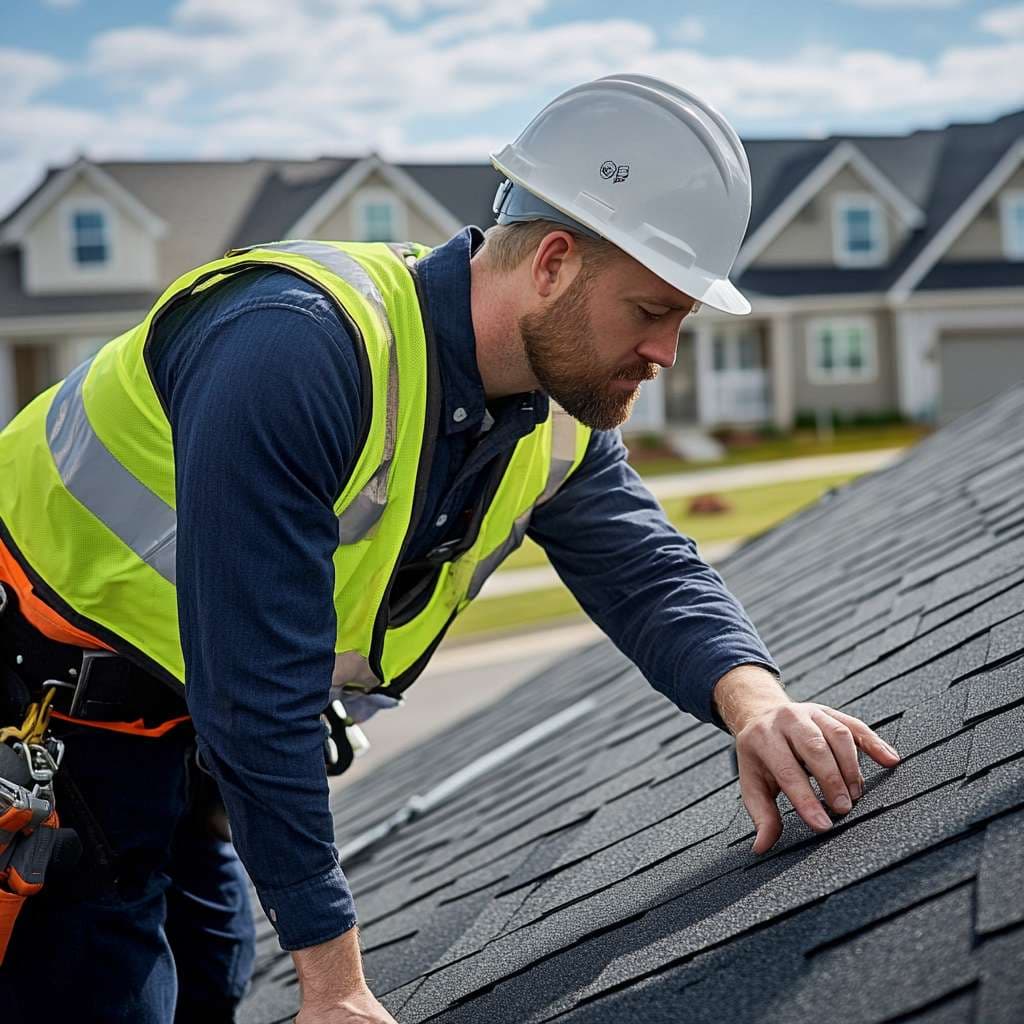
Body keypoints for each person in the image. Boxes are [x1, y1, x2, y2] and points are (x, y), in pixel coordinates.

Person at [0, 75, 901, 1023]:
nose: (668, 352)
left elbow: (646, 568)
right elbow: (256, 686)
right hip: (46, 716)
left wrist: (756, 703)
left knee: (214, 975)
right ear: (552, 263)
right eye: (651, 311)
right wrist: (335, 988)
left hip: (179, 741)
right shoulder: (295, 349)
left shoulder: (552, 420)